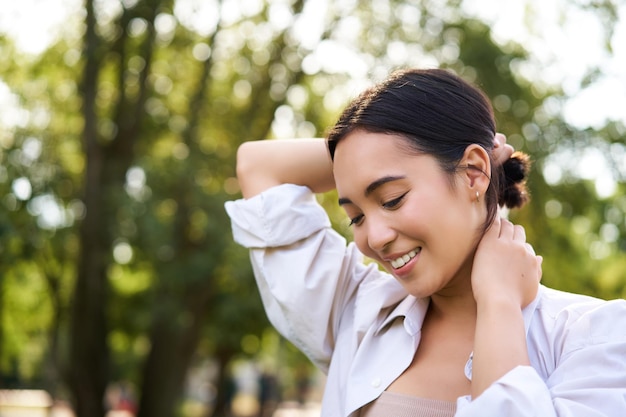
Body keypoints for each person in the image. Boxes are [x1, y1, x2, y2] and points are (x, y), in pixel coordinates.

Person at [225, 68, 626, 416]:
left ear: (472, 172)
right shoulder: (359, 311)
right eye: (356, 217)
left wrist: (499, 302)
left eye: (392, 199)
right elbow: (259, 167)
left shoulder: (594, 339)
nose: (375, 237)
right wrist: (363, 153)